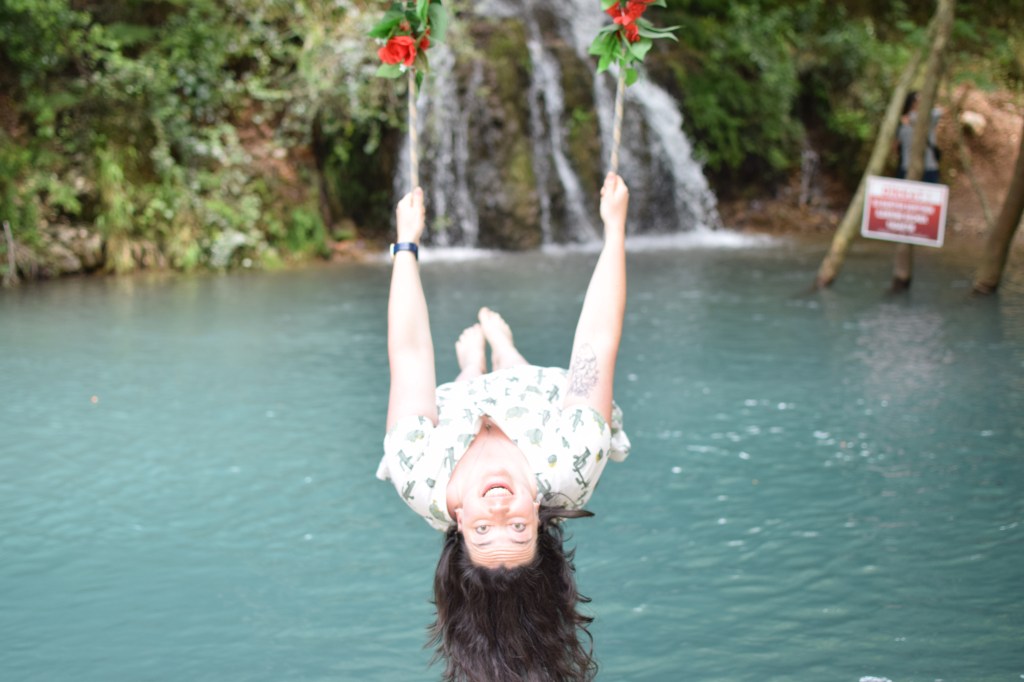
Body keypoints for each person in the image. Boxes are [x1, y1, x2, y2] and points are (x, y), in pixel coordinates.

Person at [376, 173, 632, 682]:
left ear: (457, 524)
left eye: (482, 528)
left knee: (461, 385)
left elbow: (408, 354)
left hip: (451, 416)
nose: (498, 507)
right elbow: (596, 343)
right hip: (538, 402)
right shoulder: (572, 459)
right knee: (518, 370)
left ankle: (473, 362)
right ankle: (506, 348)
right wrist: (615, 231)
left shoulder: (420, 475)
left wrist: (406, 243)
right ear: (539, 517)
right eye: (516, 527)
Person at [896, 90, 943, 183]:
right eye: (918, 100)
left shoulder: (926, 119)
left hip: (926, 166)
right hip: (909, 166)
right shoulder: (902, 122)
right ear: (912, 102)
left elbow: (938, 112)